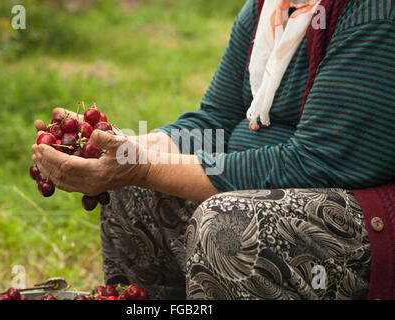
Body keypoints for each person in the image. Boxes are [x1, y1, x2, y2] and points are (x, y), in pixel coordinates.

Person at [32, 0, 394, 300]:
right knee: (132, 189)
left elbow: (313, 163)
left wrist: (144, 167)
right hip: (285, 182)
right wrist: (124, 149)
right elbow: (215, 121)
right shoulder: (267, 10)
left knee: (227, 224)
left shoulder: (372, 13)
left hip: (363, 213)